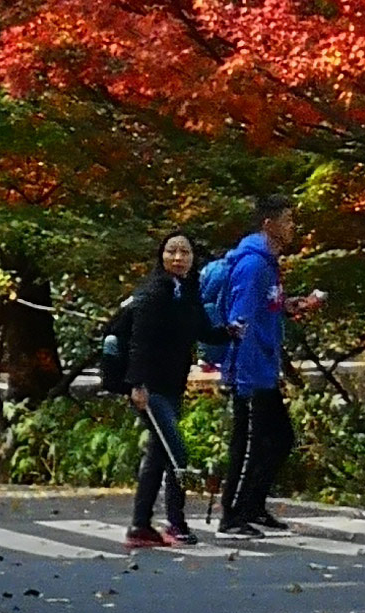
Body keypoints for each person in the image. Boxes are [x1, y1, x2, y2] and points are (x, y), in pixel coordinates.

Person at [201, 197, 323, 534]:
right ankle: (232, 515)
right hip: (248, 370)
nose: (292, 227)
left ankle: (252, 506)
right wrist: (239, 369)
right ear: (269, 224)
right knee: (250, 441)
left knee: (280, 439)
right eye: (287, 220)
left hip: (264, 367)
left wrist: (290, 305)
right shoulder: (253, 265)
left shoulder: (269, 264)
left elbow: (266, 305)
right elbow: (240, 317)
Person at [114, 231, 220, 549]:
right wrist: (136, 385)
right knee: (178, 453)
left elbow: (202, 330)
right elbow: (140, 343)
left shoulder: (187, 292)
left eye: (184, 252)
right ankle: (176, 522)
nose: (178, 258)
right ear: (161, 256)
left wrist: (231, 332)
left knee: (159, 455)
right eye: (171, 251)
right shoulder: (153, 293)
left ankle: (141, 525)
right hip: (150, 388)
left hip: (172, 385)